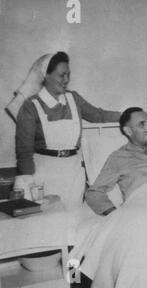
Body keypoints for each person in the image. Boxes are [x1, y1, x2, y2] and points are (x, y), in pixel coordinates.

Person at [15, 52, 121, 210]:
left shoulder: (73, 98)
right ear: (46, 75)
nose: (66, 80)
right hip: (45, 173)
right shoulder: (31, 106)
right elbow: (24, 150)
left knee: (73, 220)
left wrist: (127, 115)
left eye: (68, 75)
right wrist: (27, 184)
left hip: (73, 172)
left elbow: (98, 115)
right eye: (61, 75)